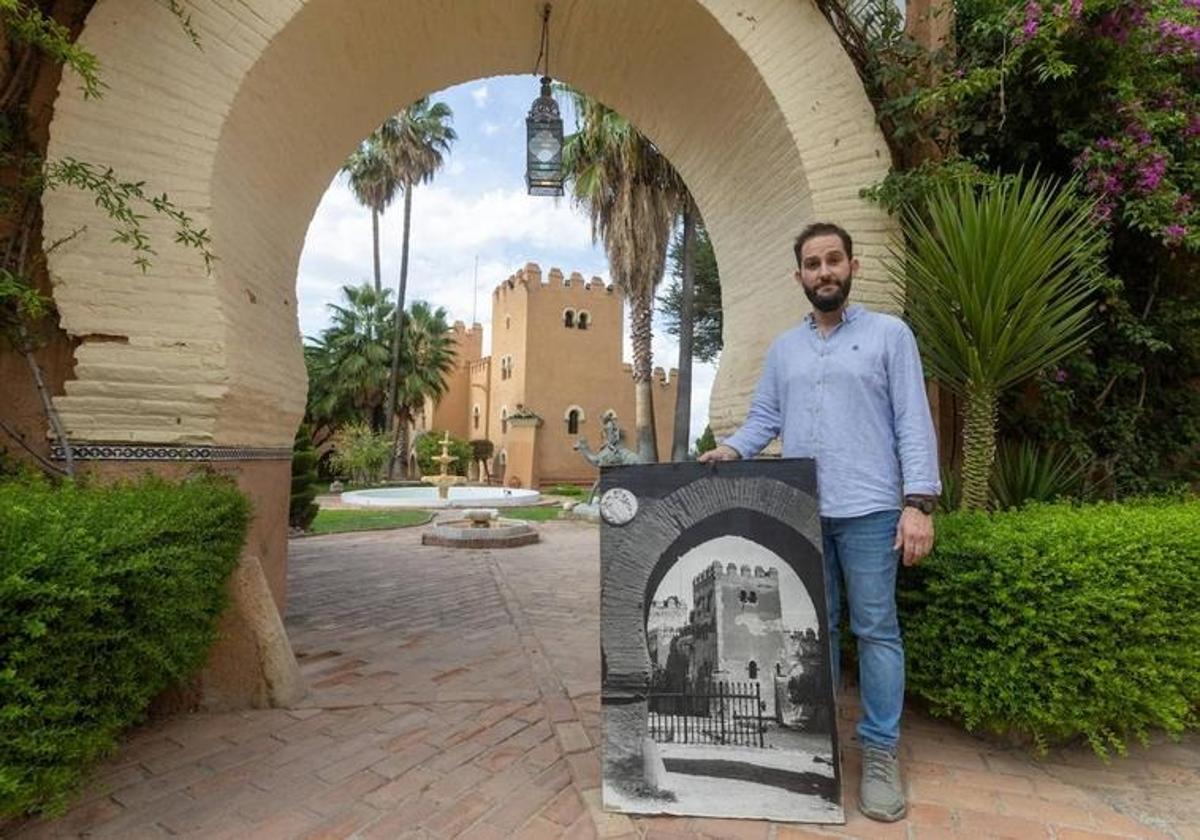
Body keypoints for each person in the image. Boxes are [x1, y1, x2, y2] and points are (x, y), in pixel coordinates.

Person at [699, 222, 940, 822]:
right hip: (803, 511)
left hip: (872, 509)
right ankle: (823, 750)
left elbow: (914, 419)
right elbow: (763, 419)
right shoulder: (786, 349)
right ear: (799, 276)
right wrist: (731, 449)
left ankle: (880, 754)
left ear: (851, 267)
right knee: (814, 633)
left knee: (877, 629)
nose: (824, 272)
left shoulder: (890, 336)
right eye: (813, 264)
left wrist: (920, 503)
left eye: (834, 260)